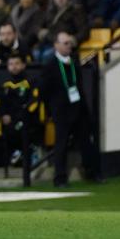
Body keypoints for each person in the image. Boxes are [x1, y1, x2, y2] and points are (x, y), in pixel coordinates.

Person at [43, 32, 98, 187]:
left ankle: (92, 173)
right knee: (61, 145)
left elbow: (79, 86)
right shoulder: (50, 65)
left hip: (78, 108)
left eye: (70, 43)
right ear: (56, 45)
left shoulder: (74, 62)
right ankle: (60, 178)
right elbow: (44, 90)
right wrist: (51, 110)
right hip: (61, 111)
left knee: (86, 143)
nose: (69, 46)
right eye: (65, 43)